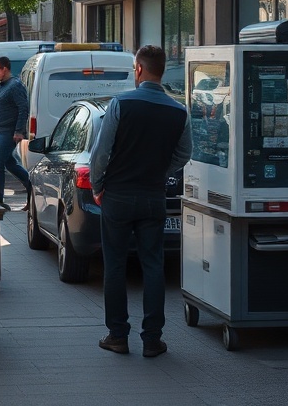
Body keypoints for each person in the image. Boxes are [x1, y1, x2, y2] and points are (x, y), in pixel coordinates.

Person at [89, 45, 191, 359]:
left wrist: (98, 186)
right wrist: (159, 170)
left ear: (138, 69)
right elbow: (184, 154)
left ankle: (118, 335)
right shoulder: (178, 110)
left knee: (116, 267)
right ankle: (152, 339)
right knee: (154, 266)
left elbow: (101, 153)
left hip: (117, 195)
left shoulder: (121, 104)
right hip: (152, 196)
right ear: (160, 70)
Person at [0, 56, 33, 210]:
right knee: (11, 164)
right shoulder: (2, 85)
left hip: (8, 132)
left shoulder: (15, 86)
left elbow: (23, 108)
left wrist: (19, 130)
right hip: (0, 130)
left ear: (5, 69)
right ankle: (33, 188)